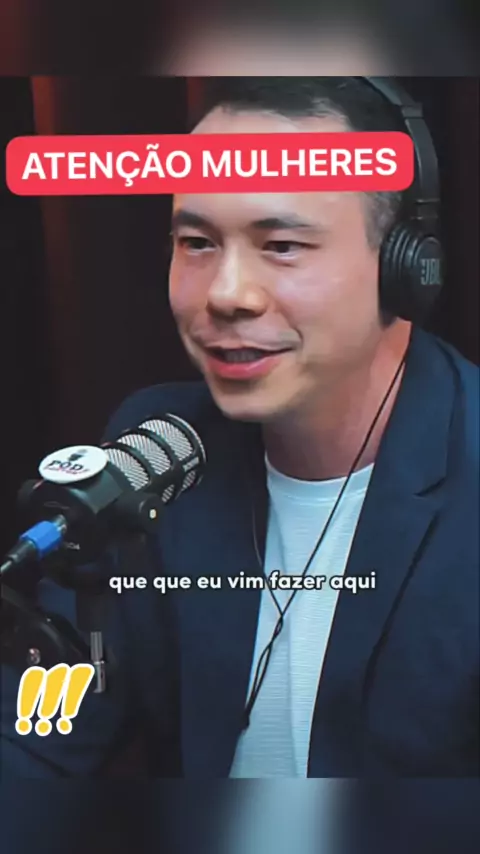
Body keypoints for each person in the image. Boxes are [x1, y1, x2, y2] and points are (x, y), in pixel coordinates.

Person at [1, 77, 478, 780]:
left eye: (281, 245)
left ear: (408, 268)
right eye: (196, 242)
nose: (225, 295)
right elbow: (41, 734)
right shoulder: (157, 448)